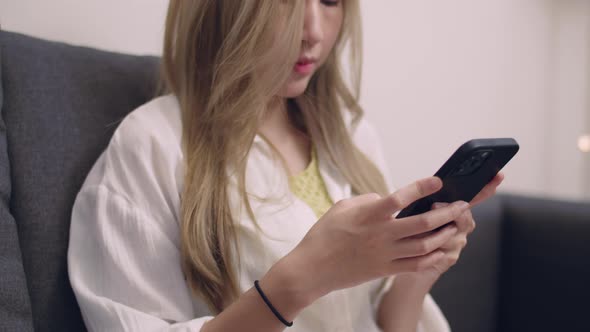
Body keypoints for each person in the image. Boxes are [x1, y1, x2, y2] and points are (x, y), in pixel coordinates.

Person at [67, 1, 503, 331]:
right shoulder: (152, 144)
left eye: (329, 0)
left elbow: (386, 320)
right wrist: (302, 280)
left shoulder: (352, 135)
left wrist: (417, 269)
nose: (312, 31)